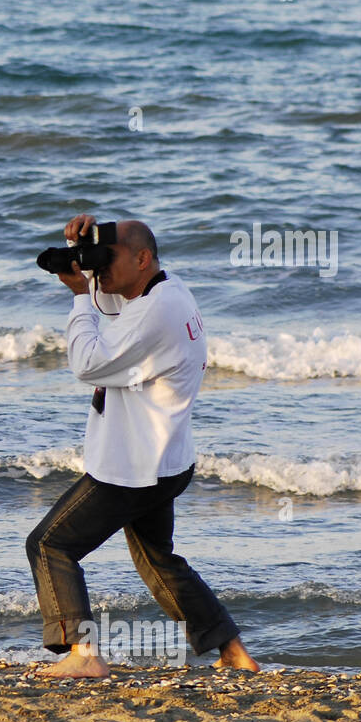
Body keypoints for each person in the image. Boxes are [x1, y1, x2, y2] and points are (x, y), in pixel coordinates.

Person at [26, 213, 259, 677]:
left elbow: (88, 363)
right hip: (165, 460)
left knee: (50, 545)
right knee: (161, 562)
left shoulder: (157, 311)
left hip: (133, 466)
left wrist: (78, 299)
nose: (99, 272)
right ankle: (233, 652)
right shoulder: (163, 291)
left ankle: (84, 655)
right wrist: (83, 251)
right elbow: (113, 305)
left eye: (106, 260)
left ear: (143, 258)